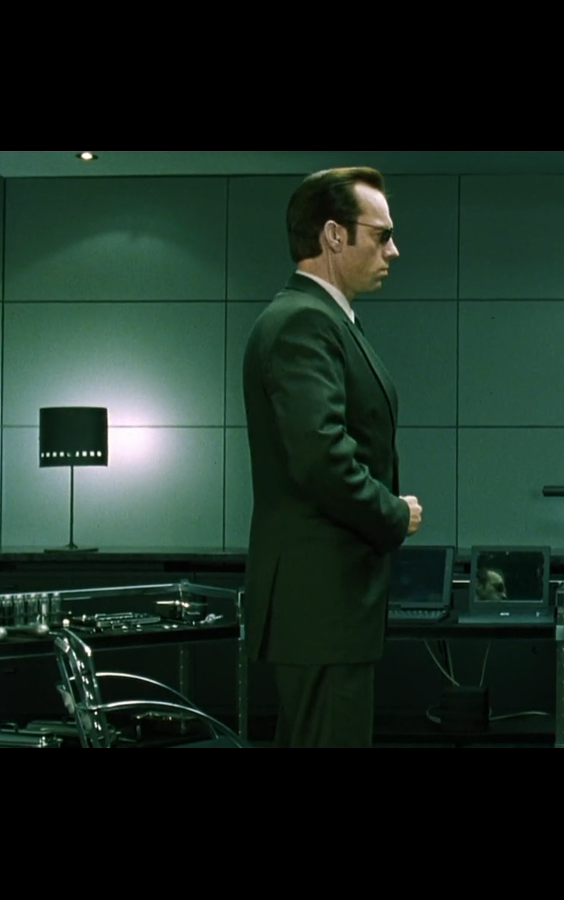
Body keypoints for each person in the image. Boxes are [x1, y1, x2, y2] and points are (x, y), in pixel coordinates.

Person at [243, 166, 424, 749]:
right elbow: (322, 458)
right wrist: (394, 513)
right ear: (333, 235)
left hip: (325, 609)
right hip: (321, 606)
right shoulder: (303, 322)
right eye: (382, 234)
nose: (393, 250)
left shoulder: (321, 319)